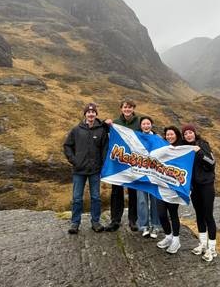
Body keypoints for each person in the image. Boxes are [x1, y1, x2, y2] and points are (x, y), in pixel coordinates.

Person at [63, 103, 109, 234]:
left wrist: (102, 165)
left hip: (95, 170)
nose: (91, 114)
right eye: (88, 112)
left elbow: (105, 149)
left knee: (95, 197)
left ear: (96, 114)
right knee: (77, 198)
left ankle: (95, 222)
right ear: (85, 114)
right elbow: (67, 146)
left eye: (93, 112)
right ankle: (75, 223)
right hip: (79, 170)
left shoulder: (101, 131)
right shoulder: (76, 130)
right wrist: (74, 160)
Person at [182, 123, 217, 262]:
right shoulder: (185, 148)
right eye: (185, 134)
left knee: (208, 216)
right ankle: (202, 244)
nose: (188, 135)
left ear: (194, 133)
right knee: (199, 215)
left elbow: (211, 163)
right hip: (194, 187)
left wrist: (199, 152)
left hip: (206, 186)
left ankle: (212, 249)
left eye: (190, 132)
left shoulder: (203, 144)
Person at [104, 99, 140, 232]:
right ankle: (115, 220)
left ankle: (133, 220)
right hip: (118, 163)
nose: (127, 109)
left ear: (133, 108)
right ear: (121, 108)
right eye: (125, 107)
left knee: (133, 191)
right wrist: (106, 123)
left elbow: (147, 136)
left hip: (134, 163)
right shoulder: (115, 123)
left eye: (130, 107)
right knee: (116, 192)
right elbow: (104, 132)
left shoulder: (139, 123)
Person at [156, 125, 183, 253]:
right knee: (161, 214)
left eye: (172, 134)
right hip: (161, 187)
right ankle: (168, 236)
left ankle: (176, 240)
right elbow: (151, 157)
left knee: (173, 214)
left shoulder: (182, 149)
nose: (169, 136)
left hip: (174, 189)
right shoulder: (163, 148)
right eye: (167, 134)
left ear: (176, 135)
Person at [136, 116, 161, 238]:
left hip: (155, 175)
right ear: (141, 126)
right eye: (144, 124)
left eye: (148, 123)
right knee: (141, 201)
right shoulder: (135, 138)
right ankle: (144, 226)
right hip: (141, 174)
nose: (146, 126)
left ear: (152, 125)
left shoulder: (158, 139)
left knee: (155, 200)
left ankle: (156, 226)